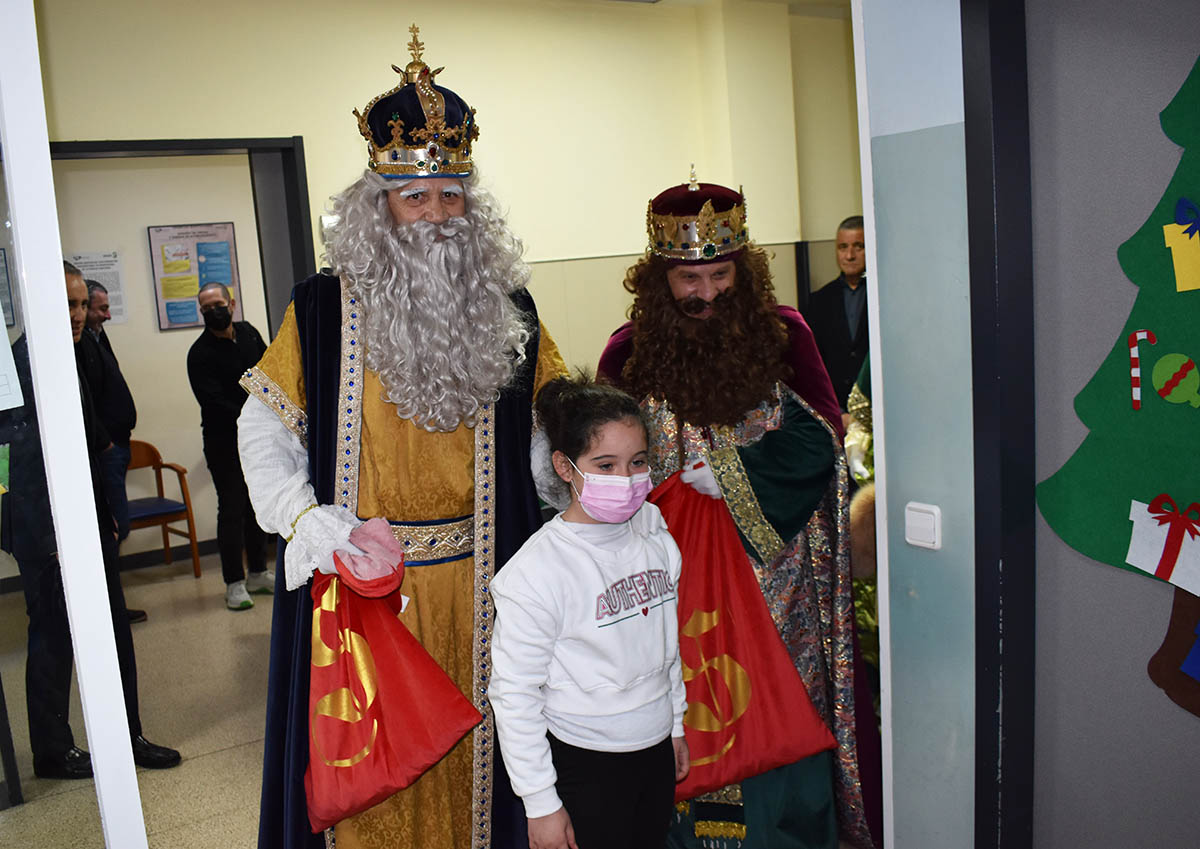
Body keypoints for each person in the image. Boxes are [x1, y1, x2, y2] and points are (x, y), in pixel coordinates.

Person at [237, 25, 567, 849]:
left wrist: (580, 483)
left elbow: (548, 437)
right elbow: (263, 428)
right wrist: (305, 519)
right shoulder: (320, 310)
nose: (438, 217)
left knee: (483, 772)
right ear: (377, 205)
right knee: (371, 790)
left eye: (452, 196)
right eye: (416, 197)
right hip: (363, 592)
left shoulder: (510, 310)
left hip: (485, 588)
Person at [597, 180, 880, 849]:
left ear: (743, 270)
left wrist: (735, 476)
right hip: (671, 580)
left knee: (777, 715)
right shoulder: (628, 352)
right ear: (660, 279)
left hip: (774, 583)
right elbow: (597, 458)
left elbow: (824, 439)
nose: (707, 294)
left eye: (720, 275)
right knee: (684, 713)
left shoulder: (785, 336)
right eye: (688, 280)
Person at [489, 375, 689, 849]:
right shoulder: (536, 572)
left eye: (637, 462)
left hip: (655, 751)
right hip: (587, 765)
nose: (627, 479)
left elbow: (667, 644)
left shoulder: (656, 536)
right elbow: (514, 693)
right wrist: (541, 803)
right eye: (605, 465)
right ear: (564, 466)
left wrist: (675, 724)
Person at [0, 261, 180, 779]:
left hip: (85, 523)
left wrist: (105, 515)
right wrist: (51, 538)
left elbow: (88, 441)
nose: (79, 314)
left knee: (113, 632)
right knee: (53, 636)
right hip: (48, 533)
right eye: (69, 304)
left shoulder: (68, 354)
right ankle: (53, 751)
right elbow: (18, 463)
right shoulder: (25, 365)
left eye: (82, 304)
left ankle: (127, 737)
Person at [185, 281, 272, 610]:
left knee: (255, 506)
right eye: (206, 308)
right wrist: (256, 414)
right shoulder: (199, 354)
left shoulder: (248, 333)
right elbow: (214, 403)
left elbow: (269, 370)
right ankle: (234, 583)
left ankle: (258, 572)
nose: (214, 312)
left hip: (258, 439)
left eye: (218, 305)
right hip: (224, 442)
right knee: (232, 508)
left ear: (232, 304)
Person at [78, 280, 137, 547]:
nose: (108, 315)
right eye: (101, 309)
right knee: (113, 527)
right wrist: (106, 444)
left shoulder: (97, 336)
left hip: (118, 443)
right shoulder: (81, 342)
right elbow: (86, 400)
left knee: (117, 525)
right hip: (106, 447)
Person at [803, 215, 868, 411]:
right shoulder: (818, 302)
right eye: (843, 247)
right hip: (834, 410)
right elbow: (812, 366)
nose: (849, 255)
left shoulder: (884, 298)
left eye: (858, 246)